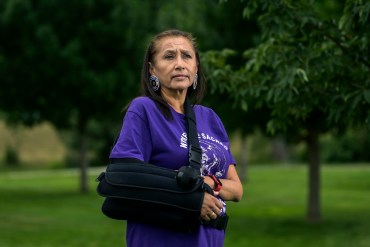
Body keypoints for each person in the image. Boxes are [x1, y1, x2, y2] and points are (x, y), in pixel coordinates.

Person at [109, 29, 243, 247]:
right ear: (152, 69)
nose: (180, 64)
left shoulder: (209, 117)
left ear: (196, 68)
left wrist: (208, 182)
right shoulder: (143, 110)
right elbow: (126, 178)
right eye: (169, 56)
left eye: (187, 56)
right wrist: (191, 200)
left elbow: (236, 190)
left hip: (208, 240)